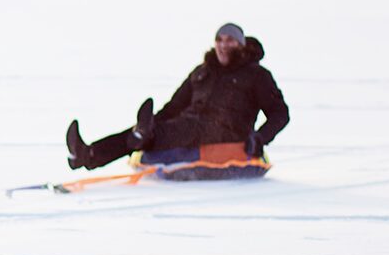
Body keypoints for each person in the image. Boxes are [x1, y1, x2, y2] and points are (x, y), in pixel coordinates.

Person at [65, 23, 288, 171]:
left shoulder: (256, 75)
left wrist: (259, 138)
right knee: (150, 131)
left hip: (226, 131)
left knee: (159, 133)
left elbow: (280, 114)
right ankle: (88, 155)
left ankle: (129, 141)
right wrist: (151, 123)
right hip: (189, 126)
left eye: (229, 40)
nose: (223, 45)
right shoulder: (203, 72)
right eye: (219, 39)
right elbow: (174, 107)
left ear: (240, 44)